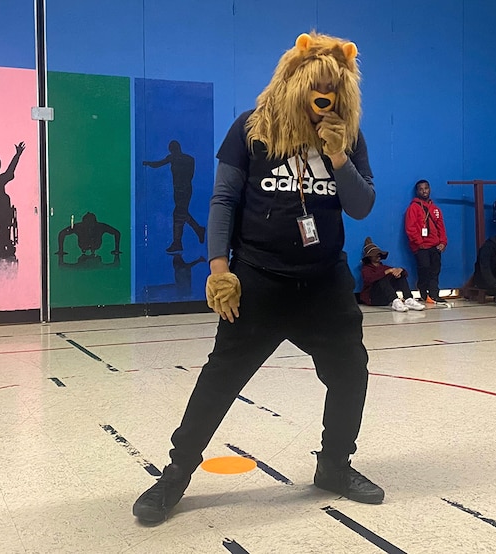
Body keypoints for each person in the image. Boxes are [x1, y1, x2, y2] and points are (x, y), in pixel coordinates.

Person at [133, 31, 384, 525]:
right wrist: (219, 270)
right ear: (295, 82)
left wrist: (338, 157)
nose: (324, 97)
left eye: (334, 89)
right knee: (220, 377)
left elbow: (362, 206)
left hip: (324, 282)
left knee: (350, 371)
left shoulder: (347, 135)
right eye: (316, 86)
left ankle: (335, 465)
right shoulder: (252, 129)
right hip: (259, 280)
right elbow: (223, 199)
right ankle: (176, 472)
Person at [143, 141, 206, 253]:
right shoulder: (189, 159)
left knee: (178, 214)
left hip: (182, 190)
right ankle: (197, 230)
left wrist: (147, 163)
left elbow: (158, 164)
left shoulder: (174, 158)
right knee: (181, 214)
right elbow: (191, 175)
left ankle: (178, 242)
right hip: (183, 190)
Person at [404, 180, 447, 303]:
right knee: (424, 269)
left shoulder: (435, 209)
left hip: (435, 245)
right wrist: (419, 242)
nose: (424, 191)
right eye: (421, 189)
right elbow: (410, 228)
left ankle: (434, 294)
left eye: (426, 188)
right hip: (421, 246)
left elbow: (441, 227)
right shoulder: (413, 208)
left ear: (430, 189)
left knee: (435, 270)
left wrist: (443, 242)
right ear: (417, 191)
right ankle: (423, 292)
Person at [360, 237, 425, 312]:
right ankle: (395, 301)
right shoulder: (366, 269)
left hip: (385, 298)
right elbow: (369, 279)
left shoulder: (384, 267)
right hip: (373, 298)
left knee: (399, 276)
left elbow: (404, 273)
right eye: (375, 254)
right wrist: (386, 272)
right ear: (369, 257)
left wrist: (400, 270)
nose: (378, 256)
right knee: (381, 278)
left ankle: (408, 299)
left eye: (379, 254)